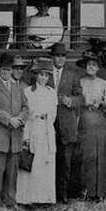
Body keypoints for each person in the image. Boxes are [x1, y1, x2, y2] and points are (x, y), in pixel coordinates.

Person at [0, 52, 29, 207]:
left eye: (9, 70)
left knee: (12, 171)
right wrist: (10, 120)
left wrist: (20, 119)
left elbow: (25, 107)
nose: (6, 73)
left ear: (12, 71)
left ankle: (10, 200)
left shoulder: (19, 88)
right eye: (3, 70)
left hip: (15, 136)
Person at [17, 58, 57, 205]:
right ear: (35, 75)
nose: (43, 78)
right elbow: (25, 112)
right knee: (31, 162)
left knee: (45, 163)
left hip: (46, 129)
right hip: (32, 128)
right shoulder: (28, 91)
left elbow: (53, 113)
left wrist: (47, 120)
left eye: (46, 75)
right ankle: (28, 199)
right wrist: (27, 134)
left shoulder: (51, 92)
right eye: (41, 75)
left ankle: (44, 198)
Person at [47, 41, 82, 202]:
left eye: (63, 56)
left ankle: (63, 194)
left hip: (67, 123)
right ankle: (49, 195)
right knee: (47, 159)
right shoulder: (44, 73)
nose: (60, 59)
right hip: (48, 123)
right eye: (57, 56)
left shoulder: (73, 74)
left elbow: (80, 97)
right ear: (52, 57)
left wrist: (71, 101)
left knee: (65, 161)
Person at [76, 51, 106, 200]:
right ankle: (87, 191)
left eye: (94, 65)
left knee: (100, 155)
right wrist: (86, 103)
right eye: (89, 64)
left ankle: (99, 193)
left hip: (99, 120)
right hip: (85, 119)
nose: (91, 67)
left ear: (98, 68)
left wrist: (105, 104)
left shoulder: (103, 84)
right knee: (87, 155)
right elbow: (77, 100)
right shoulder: (80, 82)